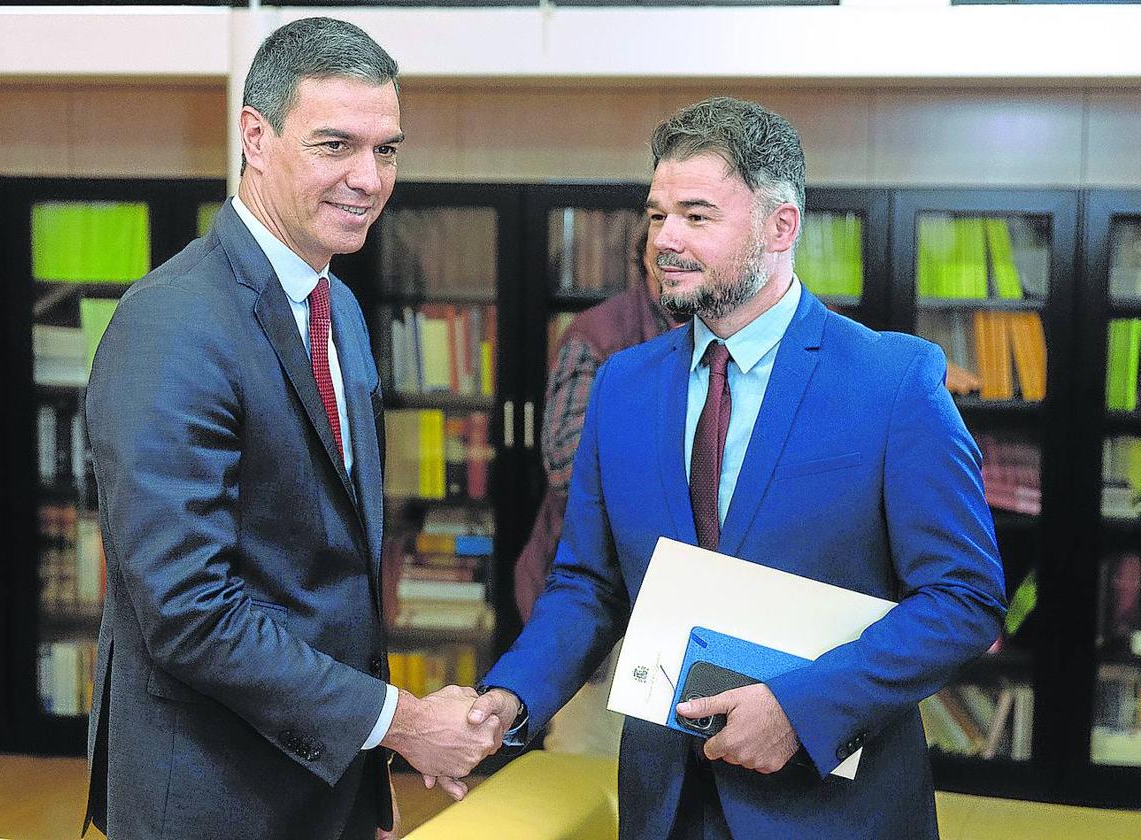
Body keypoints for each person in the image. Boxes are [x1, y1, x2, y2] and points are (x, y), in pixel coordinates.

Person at [467, 97, 1007, 838]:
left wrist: (801, 710)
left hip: (832, 810)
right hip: (665, 805)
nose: (666, 241)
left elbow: (964, 597)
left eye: (697, 215)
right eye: (657, 216)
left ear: (779, 226)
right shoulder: (622, 386)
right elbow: (588, 584)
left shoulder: (893, 381)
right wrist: (513, 696)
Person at [83, 18, 499, 840]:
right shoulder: (170, 322)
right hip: (213, 797)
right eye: (335, 144)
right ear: (256, 138)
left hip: (324, 782)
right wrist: (401, 721)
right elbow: (190, 610)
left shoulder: (334, 304)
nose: (366, 178)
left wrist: (363, 772)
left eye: (386, 150)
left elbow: (333, 573)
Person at [513, 224, 677, 757]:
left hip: (680, 607)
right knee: (587, 764)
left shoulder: (715, 331)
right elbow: (564, 464)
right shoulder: (596, 335)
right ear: (643, 261)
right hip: (598, 602)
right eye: (664, 251)